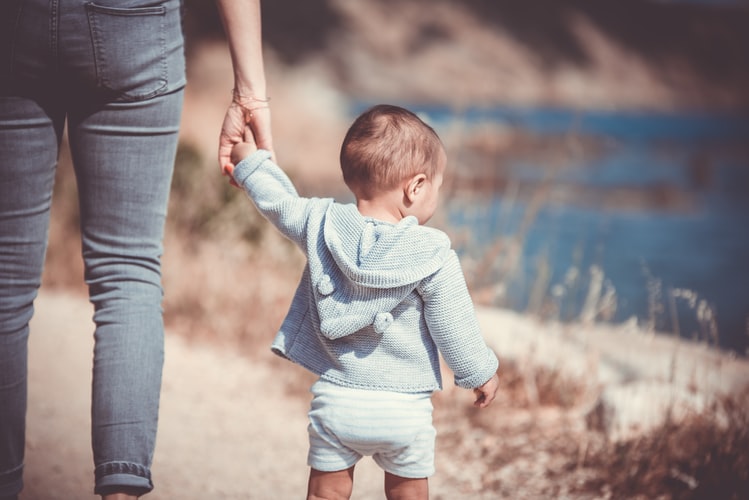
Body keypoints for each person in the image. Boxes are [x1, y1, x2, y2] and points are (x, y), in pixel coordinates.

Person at [0, 0, 271, 498]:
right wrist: (250, 91)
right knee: (128, 273)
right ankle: (121, 491)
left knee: (4, 281)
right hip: (134, 23)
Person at [225, 104, 500, 500]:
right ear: (416, 186)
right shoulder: (431, 252)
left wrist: (248, 161)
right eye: (438, 187)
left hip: (338, 399)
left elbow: (279, 202)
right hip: (404, 408)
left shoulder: (321, 223)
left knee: (326, 494)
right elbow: (454, 324)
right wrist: (480, 373)